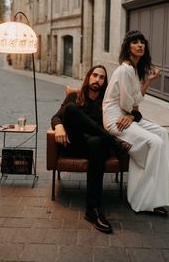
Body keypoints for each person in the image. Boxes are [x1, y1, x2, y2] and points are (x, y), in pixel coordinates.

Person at [103, 30, 169, 216]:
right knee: (154, 143)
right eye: (135, 42)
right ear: (128, 48)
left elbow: (137, 100)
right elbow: (128, 104)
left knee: (162, 133)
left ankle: (163, 184)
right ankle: (145, 201)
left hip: (126, 116)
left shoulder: (133, 70)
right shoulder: (125, 69)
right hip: (116, 119)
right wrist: (132, 114)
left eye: (142, 42)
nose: (140, 45)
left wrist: (148, 81)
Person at [51, 65, 129, 233]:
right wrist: (58, 127)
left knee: (97, 142)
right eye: (95, 75)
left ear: (105, 83)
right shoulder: (74, 96)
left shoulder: (108, 103)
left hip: (97, 147)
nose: (97, 80)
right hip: (76, 144)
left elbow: (135, 114)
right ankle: (113, 142)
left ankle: (93, 210)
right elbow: (56, 116)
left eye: (102, 77)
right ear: (88, 77)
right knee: (71, 109)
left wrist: (130, 115)